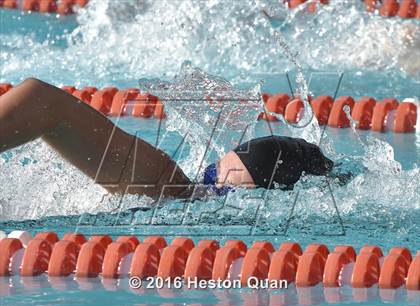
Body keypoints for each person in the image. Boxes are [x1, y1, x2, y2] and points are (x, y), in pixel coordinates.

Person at [0, 78, 333, 199]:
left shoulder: (167, 186)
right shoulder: (169, 190)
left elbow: (40, 101)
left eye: (215, 183)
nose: (209, 181)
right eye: (211, 176)